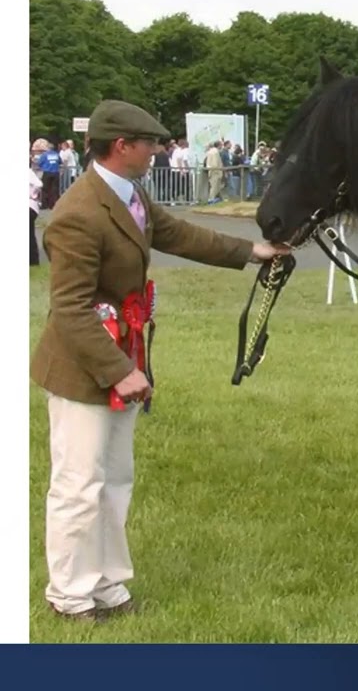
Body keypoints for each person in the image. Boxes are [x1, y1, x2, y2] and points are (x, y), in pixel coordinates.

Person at [30, 99, 290, 622]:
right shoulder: (79, 214)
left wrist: (252, 252)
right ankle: (69, 595)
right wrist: (119, 371)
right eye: (150, 143)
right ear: (123, 147)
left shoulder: (130, 194)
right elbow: (71, 310)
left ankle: (106, 585)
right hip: (86, 369)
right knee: (79, 484)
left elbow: (177, 234)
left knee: (115, 478)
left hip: (121, 356)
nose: (157, 150)